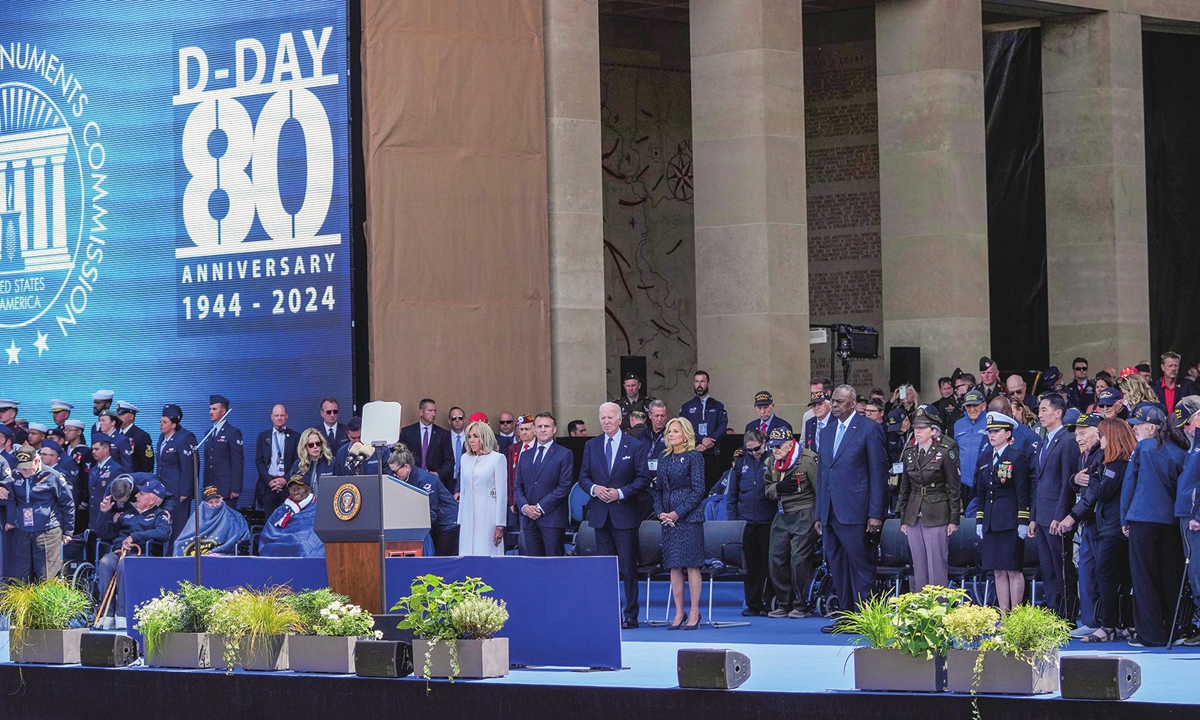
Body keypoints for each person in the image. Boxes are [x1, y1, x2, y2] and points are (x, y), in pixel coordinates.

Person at [816, 385, 888, 631]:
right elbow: (823, 474)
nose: (833, 405)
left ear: (852, 403)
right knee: (837, 564)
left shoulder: (870, 429)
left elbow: (878, 474)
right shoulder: (826, 432)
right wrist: (819, 513)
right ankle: (845, 616)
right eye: (832, 401)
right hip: (830, 510)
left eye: (838, 401)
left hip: (857, 509)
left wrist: (876, 513)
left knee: (860, 564)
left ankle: (865, 618)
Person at [1061, 417, 1136, 642]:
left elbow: (1103, 493)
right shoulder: (1113, 462)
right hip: (1109, 524)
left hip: (1113, 526)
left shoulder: (1117, 464)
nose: (1100, 440)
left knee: (1104, 572)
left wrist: (1093, 477)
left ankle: (1108, 625)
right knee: (1121, 575)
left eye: (1102, 435)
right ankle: (1124, 623)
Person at [1120, 407, 1189, 646]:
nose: (1134, 428)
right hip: (1170, 521)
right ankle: (1173, 630)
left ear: (1151, 427)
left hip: (1142, 518)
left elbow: (1129, 484)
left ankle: (1150, 634)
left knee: (1143, 577)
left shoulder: (1143, 448)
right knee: (1170, 576)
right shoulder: (1181, 453)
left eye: (1138, 425)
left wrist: (1124, 518)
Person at [579, 402, 650, 628]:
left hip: (624, 514)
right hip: (601, 515)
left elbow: (643, 479)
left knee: (628, 567)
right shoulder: (591, 445)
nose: (606, 421)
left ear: (621, 420)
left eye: (610, 417)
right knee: (605, 568)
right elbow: (583, 477)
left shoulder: (635, 446)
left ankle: (631, 614)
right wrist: (594, 489)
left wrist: (620, 493)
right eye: (602, 418)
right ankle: (609, 612)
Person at [897, 405, 961, 590]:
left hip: (937, 511)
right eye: (916, 428)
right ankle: (920, 609)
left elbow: (953, 486)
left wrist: (954, 518)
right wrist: (903, 517)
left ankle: (938, 610)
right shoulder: (910, 452)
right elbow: (905, 487)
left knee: (937, 565)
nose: (917, 432)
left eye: (922, 428)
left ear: (933, 430)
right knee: (918, 565)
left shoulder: (945, 449)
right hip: (914, 511)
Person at [94, 475, 172, 628]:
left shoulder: (159, 514)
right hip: (118, 551)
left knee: (125, 565)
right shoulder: (126, 512)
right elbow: (105, 534)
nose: (136, 495)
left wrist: (134, 537)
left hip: (141, 554)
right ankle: (107, 614)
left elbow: (164, 533)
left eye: (142, 494)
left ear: (152, 499)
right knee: (105, 563)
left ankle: (122, 613)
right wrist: (104, 513)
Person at [974, 412, 1031, 611]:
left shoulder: (1016, 457)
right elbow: (980, 491)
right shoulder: (985, 457)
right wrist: (980, 520)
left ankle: (1015, 614)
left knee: (1012, 570)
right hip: (991, 521)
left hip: (1010, 521)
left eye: (997, 431)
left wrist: (1023, 521)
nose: (992, 435)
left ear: (1008, 434)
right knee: (998, 571)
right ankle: (1004, 614)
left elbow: (1023, 491)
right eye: (990, 431)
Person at [653, 417, 706, 630]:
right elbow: (658, 489)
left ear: (685, 434)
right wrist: (661, 513)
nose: (671, 435)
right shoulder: (664, 458)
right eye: (669, 432)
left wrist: (677, 513)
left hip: (689, 518)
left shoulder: (695, 457)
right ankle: (679, 611)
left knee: (691, 565)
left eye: (675, 431)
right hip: (668, 519)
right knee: (674, 565)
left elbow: (698, 489)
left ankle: (694, 611)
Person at [761, 427, 819, 619]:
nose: (774, 450)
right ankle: (783, 602)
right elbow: (767, 488)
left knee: (799, 560)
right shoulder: (771, 461)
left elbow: (819, 489)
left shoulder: (807, 459)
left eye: (778, 446)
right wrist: (778, 487)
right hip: (782, 512)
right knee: (776, 558)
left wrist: (818, 518)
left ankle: (801, 604)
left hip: (804, 511)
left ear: (789, 443)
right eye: (771, 446)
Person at [1031, 392, 1080, 618]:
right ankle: (1052, 611)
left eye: (1044, 410)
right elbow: (1038, 482)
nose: (1039, 414)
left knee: (1062, 567)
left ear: (1058, 413)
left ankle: (1067, 612)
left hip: (1056, 515)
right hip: (1041, 514)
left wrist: (1060, 515)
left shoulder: (1068, 441)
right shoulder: (1044, 440)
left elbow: (1066, 483)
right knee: (1047, 567)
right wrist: (1032, 516)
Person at [1059, 411, 1104, 637]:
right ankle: (1089, 619)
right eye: (1077, 433)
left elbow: (1094, 493)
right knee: (1085, 570)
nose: (1078, 438)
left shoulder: (1102, 455)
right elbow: (1077, 484)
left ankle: (1101, 621)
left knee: (1097, 572)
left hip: (1098, 522)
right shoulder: (1084, 456)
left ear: (1098, 433)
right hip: (1087, 522)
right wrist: (1073, 480)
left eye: (1083, 433)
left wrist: (1072, 517)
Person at [3, 445, 73, 581]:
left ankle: (45, 602)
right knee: (21, 576)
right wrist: (11, 520)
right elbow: (11, 499)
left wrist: (68, 531)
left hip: (47, 530)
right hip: (22, 530)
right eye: (21, 468)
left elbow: (67, 504)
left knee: (46, 575)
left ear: (36, 461)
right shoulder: (15, 475)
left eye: (27, 468)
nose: (24, 472)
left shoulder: (53, 476)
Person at [726, 429, 774, 617]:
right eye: (750, 450)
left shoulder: (772, 459)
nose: (754, 453)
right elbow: (732, 495)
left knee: (768, 563)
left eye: (757, 449)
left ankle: (769, 601)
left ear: (764, 442)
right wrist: (733, 522)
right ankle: (753, 603)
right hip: (745, 520)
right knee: (750, 565)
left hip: (767, 519)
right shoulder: (740, 464)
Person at [513, 412, 574, 557]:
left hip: (552, 519)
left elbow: (564, 486)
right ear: (534, 429)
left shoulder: (564, 454)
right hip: (529, 520)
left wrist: (540, 507)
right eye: (539, 426)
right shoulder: (526, 455)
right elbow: (518, 486)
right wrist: (525, 507)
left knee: (554, 564)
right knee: (534, 565)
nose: (543, 429)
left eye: (547, 426)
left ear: (554, 429)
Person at [388, 444, 460, 556]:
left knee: (440, 560)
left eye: (395, 472)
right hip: (437, 524)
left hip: (448, 523)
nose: (394, 475)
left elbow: (431, 511)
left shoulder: (425, 480)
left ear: (406, 467)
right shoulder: (409, 479)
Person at [457, 420, 507, 556]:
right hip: (468, 516)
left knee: (486, 552)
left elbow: (502, 494)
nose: (471, 440)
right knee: (467, 553)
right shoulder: (464, 458)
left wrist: (499, 525)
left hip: (488, 516)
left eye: (475, 436)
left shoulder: (497, 459)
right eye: (469, 436)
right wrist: (460, 519)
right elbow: (464, 490)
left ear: (484, 437)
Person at [1173, 397, 1200, 645]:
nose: (1185, 428)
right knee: (1194, 574)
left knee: (1198, 572)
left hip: (1194, 519)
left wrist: (1198, 515)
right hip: (1186, 515)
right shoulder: (1195, 443)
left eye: (1188, 422)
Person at [680, 371, 728, 491]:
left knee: (711, 488)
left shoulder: (718, 406)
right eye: (696, 381)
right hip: (693, 453)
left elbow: (723, 426)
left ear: (708, 384)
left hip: (713, 454)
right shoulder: (686, 407)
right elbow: (684, 428)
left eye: (702, 381)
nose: (699, 384)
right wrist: (701, 440)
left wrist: (710, 441)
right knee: (695, 488)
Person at [156, 404, 198, 541]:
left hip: (178, 491)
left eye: (164, 422)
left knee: (178, 527)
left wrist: (185, 492)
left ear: (174, 425)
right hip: (163, 491)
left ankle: (176, 557)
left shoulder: (185, 438)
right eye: (160, 421)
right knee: (163, 525)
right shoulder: (162, 439)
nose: (161, 424)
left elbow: (188, 466)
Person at [173, 486, 251, 557]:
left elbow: (241, 540)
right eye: (210, 502)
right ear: (203, 504)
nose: (214, 505)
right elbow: (181, 541)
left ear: (222, 499)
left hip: (224, 556)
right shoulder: (196, 517)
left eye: (217, 501)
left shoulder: (235, 517)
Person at [260, 475, 324, 557]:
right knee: (268, 548)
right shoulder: (281, 510)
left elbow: (314, 536)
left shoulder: (317, 509)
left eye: (299, 488)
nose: (295, 492)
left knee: (302, 548)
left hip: (304, 545)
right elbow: (268, 532)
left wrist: (295, 539)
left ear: (308, 489)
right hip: (281, 544)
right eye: (292, 489)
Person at [399, 399, 456, 493]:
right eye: (430, 411)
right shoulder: (407, 432)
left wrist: (437, 473)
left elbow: (449, 461)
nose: (433, 414)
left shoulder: (443, 434)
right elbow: (400, 457)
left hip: (433, 482)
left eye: (435, 411)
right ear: (421, 412)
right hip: (411, 480)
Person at [254, 404, 300, 517]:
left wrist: (285, 479)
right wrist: (269, 481)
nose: (279, 418)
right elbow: (259, 461)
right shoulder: (263, 436)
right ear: (271, 417)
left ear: (287, 416)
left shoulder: (295, 436)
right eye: (276, 415)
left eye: (282, 415)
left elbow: (298, 461)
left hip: (288, 485)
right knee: (270, 521)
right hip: (268, 485)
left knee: (289, 520)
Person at [202, 395, 245, 503]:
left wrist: (236, 488)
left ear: (223, 411)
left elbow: (237, 461)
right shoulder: (208, 434)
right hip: (210, 489)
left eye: (214, 409)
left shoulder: (233, 433)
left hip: (226, 488)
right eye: (210, 409)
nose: (210, 412)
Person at [87, 433, 128, 533]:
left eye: (97, 449)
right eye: (92, 449)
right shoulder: (93, 470)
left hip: (107, 518)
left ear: (106, 450)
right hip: (94, 517)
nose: (93, 452)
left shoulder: (116, 469)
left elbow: (120, 495)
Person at [953, 390, 988, 504]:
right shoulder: (958, 425)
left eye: (975, 405)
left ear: (983, 405)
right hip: (965, 481)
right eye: (968, 406)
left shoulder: (991, 422)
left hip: (986, 479)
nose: (972, 409)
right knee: (968, 516)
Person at [505, 415, 535, 515]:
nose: (523, 432)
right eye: (521, 429)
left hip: (534, 499)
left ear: (534, 430)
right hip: (517, 500)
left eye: (527, 429)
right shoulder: (513, 448)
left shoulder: (539, 447)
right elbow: (510, 476)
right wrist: (511, 500)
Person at [116, 402, 155, 473]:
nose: (118, 417)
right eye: (118, 414)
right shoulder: (114, 434)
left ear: (131, 417)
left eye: (122, 414)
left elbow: (146, 464)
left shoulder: (141, 436)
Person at [446, 407, 468, 489]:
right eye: (454, 418)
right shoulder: (443, 437)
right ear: (449, 421)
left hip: (467, 480)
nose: (457, 420)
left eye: (460, 418)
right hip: (448, 481)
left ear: (464, 420)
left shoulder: (471, 438)